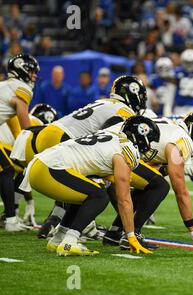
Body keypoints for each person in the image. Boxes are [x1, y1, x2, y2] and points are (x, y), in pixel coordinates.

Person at [11, 75, 147, 237]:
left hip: (46, 132)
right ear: (133, 93)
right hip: (62, 137)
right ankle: (77, 230)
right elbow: (107, 134)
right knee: (94, 188)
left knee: (78, 185)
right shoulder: (124, 111)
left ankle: (58, 226)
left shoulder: (105, 102)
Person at [20, 116, 161, 256]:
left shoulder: (111, 136)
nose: (149, 147)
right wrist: (131, 235)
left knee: (88, 192)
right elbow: (124, 199)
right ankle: (69, 242)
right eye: (150, 142)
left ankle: (58, 238)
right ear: (142, 136)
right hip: (50, 168)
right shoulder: (127, 150)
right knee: (99, 196)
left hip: (39, 164)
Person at [105, 112, 193, 247]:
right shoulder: (182, 140)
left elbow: (152, 168)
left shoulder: (171, 131)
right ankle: (133, 234)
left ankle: (115, 232)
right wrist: (192, 229)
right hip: (114, 147)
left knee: (149, 183)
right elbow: (180, 190)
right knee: (160, 186)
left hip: (108, 142)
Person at [0, 54, 39, 231]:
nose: (34, 76)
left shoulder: (6, 86)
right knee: (6, 171)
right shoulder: (22, 88)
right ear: (22, 70)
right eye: (31, 71)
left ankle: (10, 219)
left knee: (5, 171)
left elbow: (10, 118)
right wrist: (35, 144)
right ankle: (10, 220)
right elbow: (25, 125)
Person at [173, 49, 193, 116]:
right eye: (187, 62)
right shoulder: (177, 72)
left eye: (191, 63)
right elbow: (172, 89)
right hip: (179, 106)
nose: (189, 65)